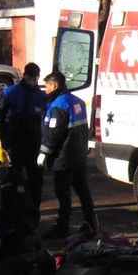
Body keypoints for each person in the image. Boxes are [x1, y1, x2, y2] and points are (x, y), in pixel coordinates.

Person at [39, 70, 95, 238]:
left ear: (54, 85)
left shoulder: (58, 105)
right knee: (82, 188)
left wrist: (43, 152)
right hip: (78, 154)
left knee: (62, 193)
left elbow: (54, 133)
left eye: (47, 86)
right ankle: (91, 221)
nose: (45, 90)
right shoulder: (77, 101)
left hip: (64, 157)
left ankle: (62, 227)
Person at [0, 62, 47, 226]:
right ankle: (13, 212)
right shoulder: (10, 92)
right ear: (24, 76)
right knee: (13, 178)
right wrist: (5, 141)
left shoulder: (40, 95)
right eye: (29, 77)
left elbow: (44, 120)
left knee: (35, 181)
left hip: (33, 142)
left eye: (34, 78)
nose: (32, 80)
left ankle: (33, 214)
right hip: (14, 141)